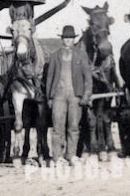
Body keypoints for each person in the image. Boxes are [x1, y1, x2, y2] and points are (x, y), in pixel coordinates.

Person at [45, 25, 92, 165]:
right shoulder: (55, 56)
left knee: (74, 126)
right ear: (62, 39)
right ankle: (57, 157)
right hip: (58, 96)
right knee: (57, 127)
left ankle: (71, 156)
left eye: (71, 38)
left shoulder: (81, 55)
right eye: (66, 38)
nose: (68, 41)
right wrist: (49, 97)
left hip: (75, 96)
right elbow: (49, 78)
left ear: (74, 40)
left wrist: (86, 95)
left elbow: (88, 77)